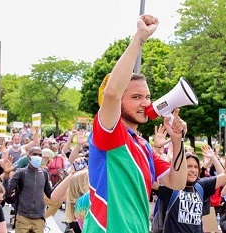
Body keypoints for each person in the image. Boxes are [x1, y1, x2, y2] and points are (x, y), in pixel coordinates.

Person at [82, 14, 188, 233]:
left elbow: (177, 182)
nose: (145, 103)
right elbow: (112, 93)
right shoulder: (110, 133)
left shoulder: (144, 147)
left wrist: (177, 142)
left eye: (147, 97)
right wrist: (140, 37)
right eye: (136, 97)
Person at [153, 128, 226, 233]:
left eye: (195, 167)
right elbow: (147, 176)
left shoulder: (201, 186)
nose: (193, 170)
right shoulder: (170, 187)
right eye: (188, 166)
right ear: (181, 168)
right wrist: (156, 148)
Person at [3, 146, 52, 233]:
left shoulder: (44, 173)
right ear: (28, 156)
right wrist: (6, 175)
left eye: (40, 155)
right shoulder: (21, 172)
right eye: (35, 154)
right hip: (23, 217)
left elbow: (50, 194)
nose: (37, 157)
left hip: (39, 218)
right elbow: (7, 192)